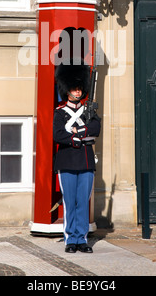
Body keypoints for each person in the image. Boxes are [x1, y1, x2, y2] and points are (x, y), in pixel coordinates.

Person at [53, 61, 101, 253]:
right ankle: (70, 239)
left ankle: (82, 239)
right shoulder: (60, 113)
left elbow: (96, 128)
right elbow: (58, 135)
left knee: (83, 201)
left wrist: (78, 130)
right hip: (67, 161)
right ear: (67, 90)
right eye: (74, 88)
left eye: (80, 88)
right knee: (70, 201)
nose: (78, 91)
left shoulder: (89, 111)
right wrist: (77, 139)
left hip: (86, 161)